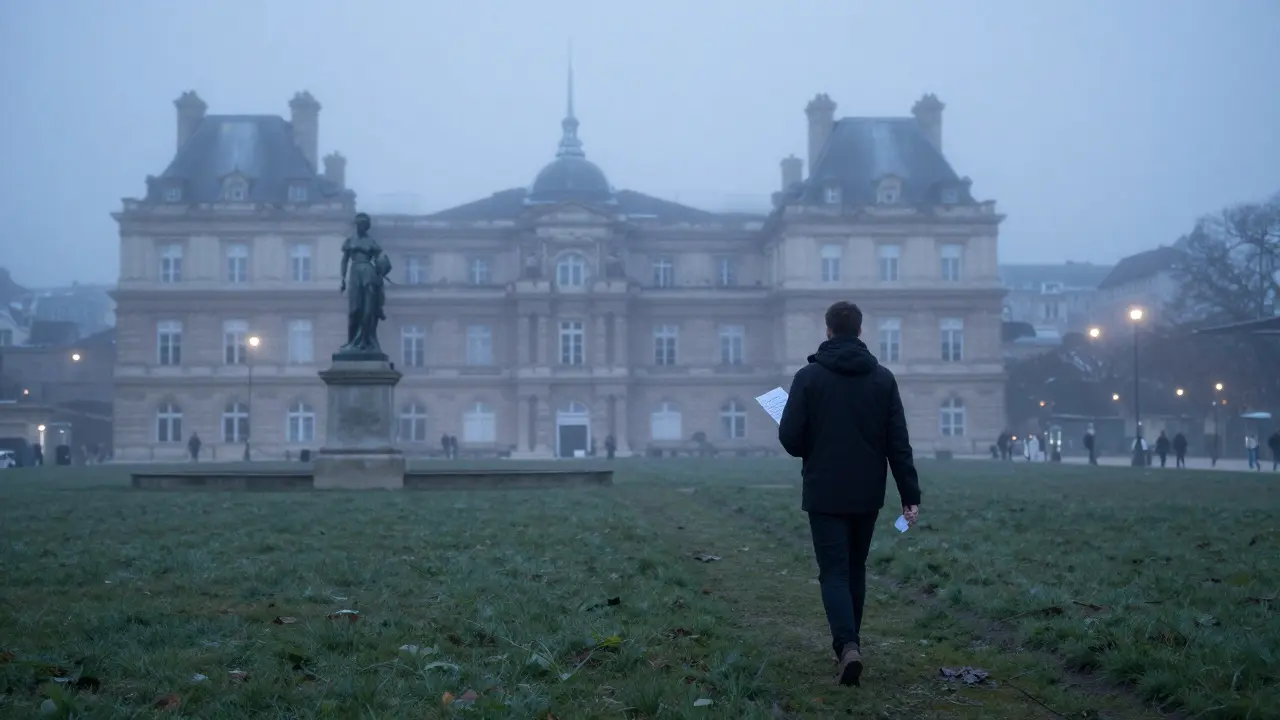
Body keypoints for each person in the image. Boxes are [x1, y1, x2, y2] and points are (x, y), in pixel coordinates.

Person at [777, 301, 921, 687]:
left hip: (824, 488)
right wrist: (910, 495)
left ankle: (847, 646)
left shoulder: (808, 378)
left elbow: (790, 440)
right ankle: (850, 645)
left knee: (834, 571)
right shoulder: (883, 379)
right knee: (855, 568)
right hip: (866, 491)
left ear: (827, 330)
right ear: (859, 331)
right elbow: (899, 444)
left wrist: (814, 441)